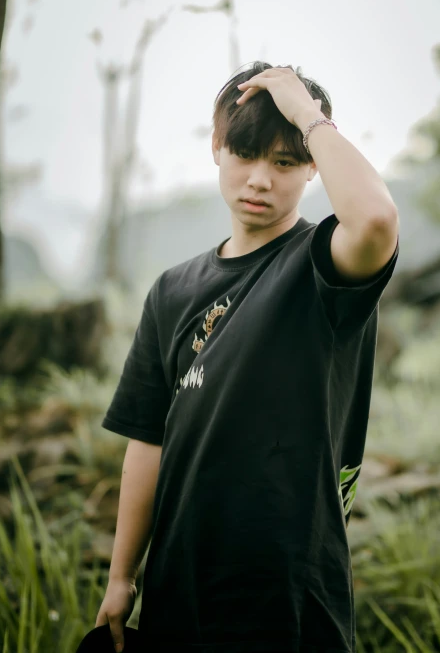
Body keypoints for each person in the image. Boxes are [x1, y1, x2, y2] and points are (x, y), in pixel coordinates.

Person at [95, 62, 400, 653]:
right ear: (216, 148)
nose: (261, 179)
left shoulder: (324, 268)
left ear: (312, 167)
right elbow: (147, 441)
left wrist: (305, 112)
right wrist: (121, 576)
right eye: (245, 154)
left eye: (285, 162)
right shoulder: (173, 290)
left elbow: (376, 218)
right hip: (178, 584)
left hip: (288, 592)